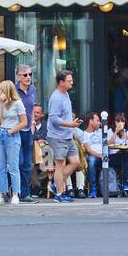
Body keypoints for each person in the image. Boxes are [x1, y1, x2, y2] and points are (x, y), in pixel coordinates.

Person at [46, 70, 82, 203]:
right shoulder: (56, 97)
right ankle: (59, 194)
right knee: (59, 165)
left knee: (75, 162)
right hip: (57, 136)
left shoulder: (66, 94)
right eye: (69, 80)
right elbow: (53, 118)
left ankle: (56, 184)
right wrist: (70, 124)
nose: (72, 82)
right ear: (61, 82)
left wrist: (72, 125)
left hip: (67, 135)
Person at [0, 80, 28, 205]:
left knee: (13, 166)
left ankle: (15, 194)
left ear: (7, 91)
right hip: (1, 133)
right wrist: (0, 101)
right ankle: (1, 193)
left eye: (1, 90)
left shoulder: (18, 103)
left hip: (12, 134)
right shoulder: (2, 103)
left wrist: (12, 130)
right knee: (0, 166)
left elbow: (24, 122)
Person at [15, 64, 39, 204]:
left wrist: (33, 122)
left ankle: (25, 193)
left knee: (27, 163)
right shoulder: (14, 91)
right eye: (25, 75)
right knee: (18, 162)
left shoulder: (33, 89)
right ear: (18, 77)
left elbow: (31, 108)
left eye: (30, 74)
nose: (28, 77)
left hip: (28, 131)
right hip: (17, 129)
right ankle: (13, 192)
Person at [75, 111, 104, 198]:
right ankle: (93, 188)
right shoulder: (84, 134)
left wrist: (115, 132)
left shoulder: (101, 132)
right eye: (97, 120)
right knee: (91, 160)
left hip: (105, 157)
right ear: (91, 121)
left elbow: (109, 143)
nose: (99, 122)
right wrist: (100, 155)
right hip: (95, 158)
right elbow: (88, 150)